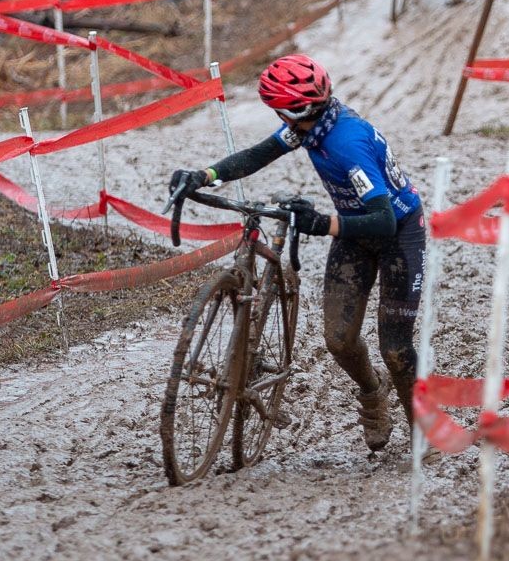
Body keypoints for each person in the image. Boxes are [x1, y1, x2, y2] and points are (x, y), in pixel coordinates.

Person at [168, 55, 425, 457]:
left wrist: (323, 223)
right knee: (339, 340)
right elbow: (258, 154)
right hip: (356, 231)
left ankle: (424, 430)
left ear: (289, 110)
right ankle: (373, 394)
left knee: (394, 346)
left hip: (397, 234)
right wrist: (205, 174)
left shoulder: (345, 143)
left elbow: (385, 220)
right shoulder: (309, 126)